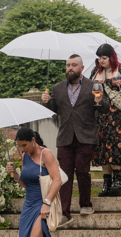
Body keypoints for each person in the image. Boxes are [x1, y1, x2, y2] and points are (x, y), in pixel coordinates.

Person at [42, 54, 108, 218]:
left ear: (81, 67)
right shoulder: (57, 89)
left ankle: (85, 204)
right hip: (65, 138)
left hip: (85, 137)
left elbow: (105, 107)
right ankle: (64, 212)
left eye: (73, 65)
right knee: (63, 176)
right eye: (68, 65)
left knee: (83, 172)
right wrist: (45, 102)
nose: (70, 68)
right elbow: (52, 111)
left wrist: (99, 101)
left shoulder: (94, 85)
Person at [6, 128, 67, 237]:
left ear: (33, 140)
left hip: (42, 203)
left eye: (24, 145)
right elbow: (26, 184)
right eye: (19, 146)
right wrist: (15, 174)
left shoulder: (45, 154)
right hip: (29, 204)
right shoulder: (25, 156)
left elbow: (57, 180)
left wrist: (46, 203)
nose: (22, 149)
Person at [90, 43, 121, 197]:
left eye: (104, 57)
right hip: (100, 115)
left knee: (115, 147)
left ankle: (118, 180)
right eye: (99, 58)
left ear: (111, 57)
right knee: (102, 148)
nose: (101, 61)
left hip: (118, 114)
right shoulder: (95, 73)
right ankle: (107, 182)